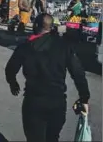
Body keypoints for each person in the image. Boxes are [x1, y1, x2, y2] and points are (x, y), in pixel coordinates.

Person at [5, 13, 90, 142]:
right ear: (51, 27)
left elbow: (10, 69)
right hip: (57, 102)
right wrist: (84, 97)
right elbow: (78, 73)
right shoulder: (64, 46)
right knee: (53, 138)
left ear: (36, 25)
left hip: (33, 102)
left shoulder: (25, 47)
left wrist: (13, 83)